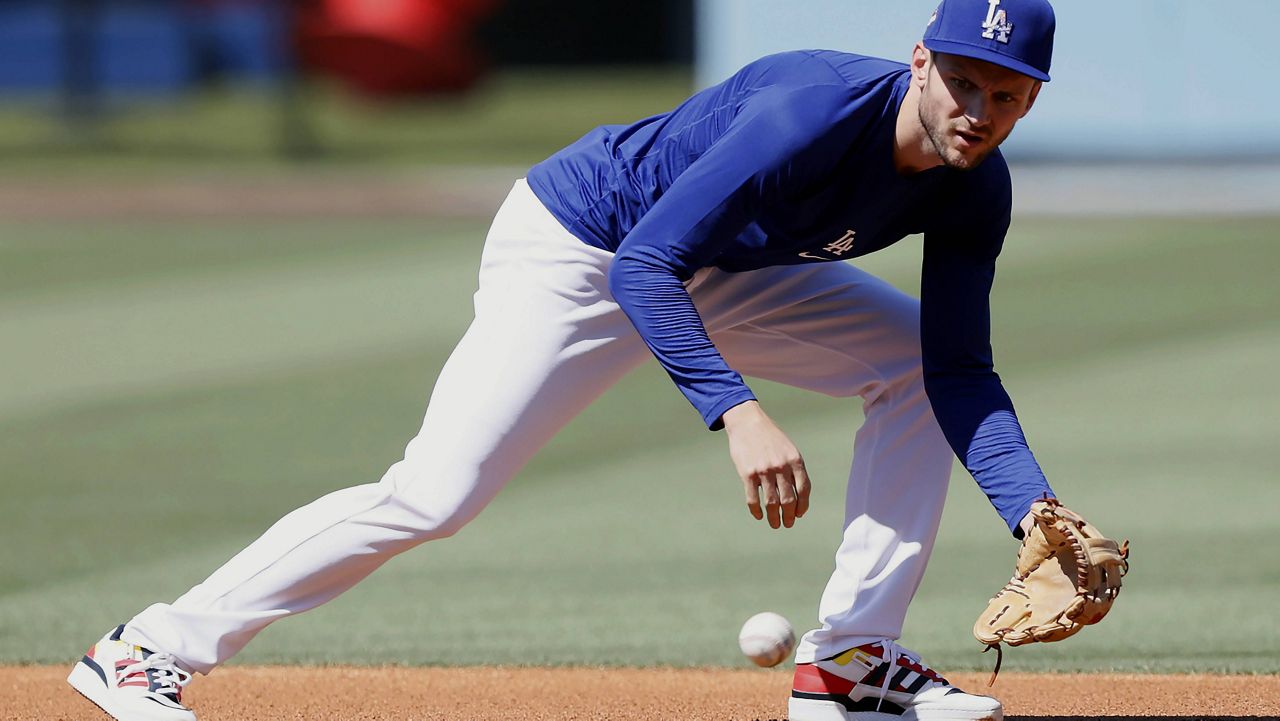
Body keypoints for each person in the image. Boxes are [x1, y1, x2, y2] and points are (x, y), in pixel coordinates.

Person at [68, 1, 1057, 719]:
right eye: (962, 80)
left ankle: (849, 662)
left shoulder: (971, 187)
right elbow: (644, 263)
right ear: (919, 60)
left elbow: (958, 368)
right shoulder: (808, 113)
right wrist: (733, 409)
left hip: (711, 264)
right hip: (584, 246)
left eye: (1004, 94)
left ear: (1026, 102)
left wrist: (1033, 511)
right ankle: (144, 649)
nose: (977, 107)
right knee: (434, 494)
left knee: (910, 368)